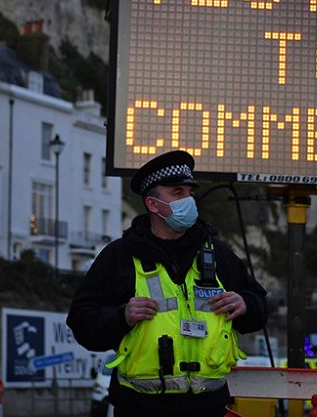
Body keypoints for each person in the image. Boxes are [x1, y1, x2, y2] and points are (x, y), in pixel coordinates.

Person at [67, 150, 267, 417]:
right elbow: (81, 322)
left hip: (208, 408)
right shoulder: (119, 256)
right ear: (153, 204)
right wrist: (121, 317)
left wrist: (246, 304)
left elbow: (259, 308)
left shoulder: (216, 254)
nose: (188, 200)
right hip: (140, 409)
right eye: (177, 193)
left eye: (190, 193)